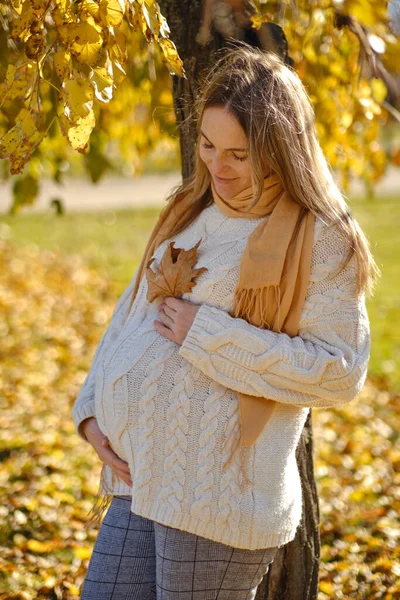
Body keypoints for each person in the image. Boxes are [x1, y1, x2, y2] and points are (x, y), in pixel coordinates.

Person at [72, 43, 378, 599]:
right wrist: (92, 414)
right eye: (208, 146)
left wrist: (206, 335)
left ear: (280, 149)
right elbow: (129, 320)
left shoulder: (320, 239)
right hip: (136, 481)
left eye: (238, 153)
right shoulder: (191, 210)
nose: (217, 166)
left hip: (217, 503)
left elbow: (340, 372)